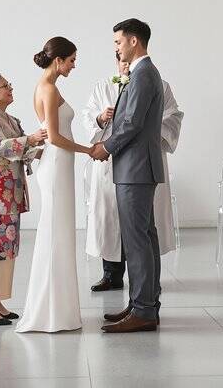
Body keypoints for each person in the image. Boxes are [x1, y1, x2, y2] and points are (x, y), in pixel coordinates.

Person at [83, 53, 184, 291]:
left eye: (128, 61)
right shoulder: (103, 87)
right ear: (116, 63)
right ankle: (112, 274)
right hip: (110, 163)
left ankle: (146, 283)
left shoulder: (158, 84)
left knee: (142, 225)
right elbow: (88, 115)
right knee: (110, 218)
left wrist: (146, 125)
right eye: (121, 61)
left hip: (139, 160)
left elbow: (173, 116)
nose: (126, 65)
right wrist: (100, 118)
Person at [91, 18, 165, 333]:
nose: (117, 49)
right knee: (145, 238)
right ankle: (142, 304)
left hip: (135, 168)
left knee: (137, 241)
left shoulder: (143, 74)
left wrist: (105, 146)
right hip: (137, 167)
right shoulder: (142, 73)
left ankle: (144, 311)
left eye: (118, 42)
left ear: (133, 41)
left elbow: (132, 122)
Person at [16, 37, 90, 333]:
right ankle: (49, 312)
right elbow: (55, 137)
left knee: (59, 232)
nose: (74, 65)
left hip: (60, 165)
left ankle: (59, 309)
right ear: (58, 60)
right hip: (57, 163)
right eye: (72, 60)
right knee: (54, 232)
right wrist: (89, 151)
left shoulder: (49, 87)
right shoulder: (47, 88)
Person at [0, 72, 47, 326]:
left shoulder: (9, 118)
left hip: (8, 190)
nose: (11, 88)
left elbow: (25, 149)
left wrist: (50, 152)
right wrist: (31, 139)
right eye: (6, 85)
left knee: (7, 243)